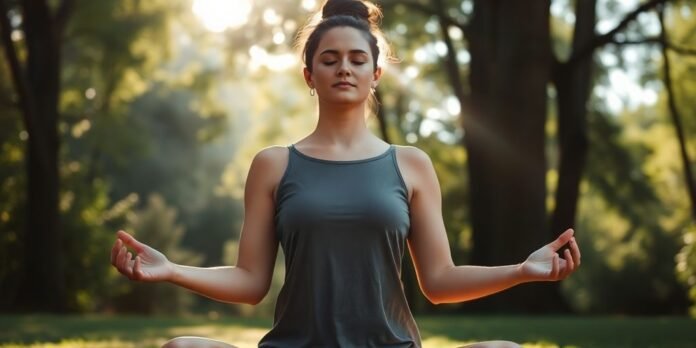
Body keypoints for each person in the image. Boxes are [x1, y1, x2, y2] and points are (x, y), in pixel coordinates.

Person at [110, 0, 582, 347]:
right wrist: (171, 270)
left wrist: (522, 271)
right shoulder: (273, 164)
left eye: (358, 59)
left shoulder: (410, 164)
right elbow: (250, 283)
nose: (344, 69)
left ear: (376, 73)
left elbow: (439, 282)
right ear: (309, 74)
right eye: (329, 59)